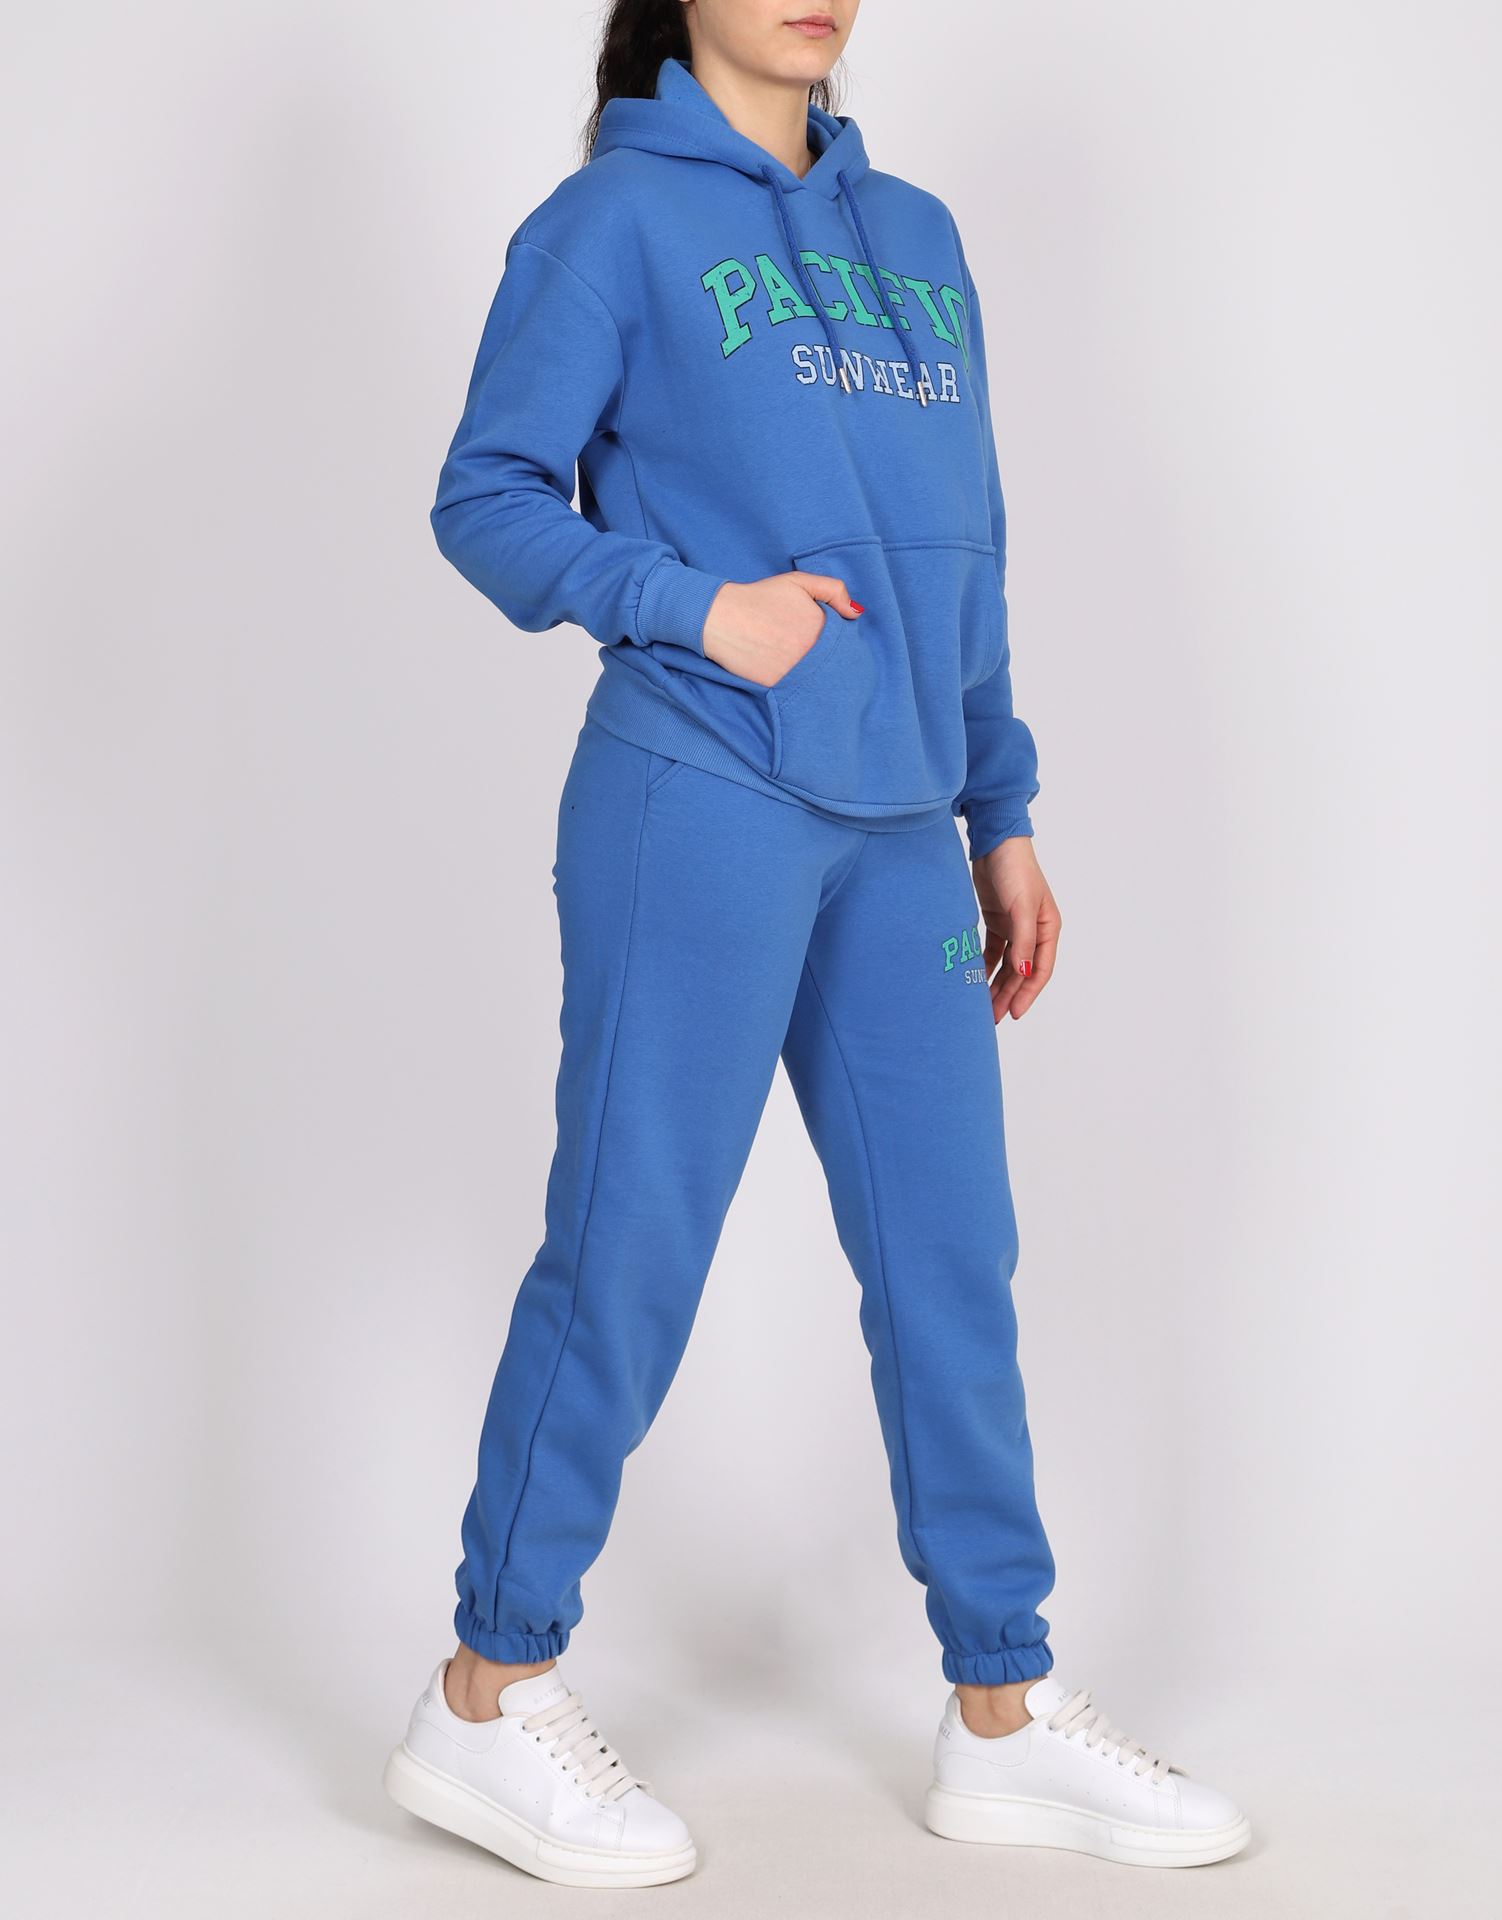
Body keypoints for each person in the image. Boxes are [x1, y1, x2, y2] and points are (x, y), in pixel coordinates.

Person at [384, 0, 1248, 1887]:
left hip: (905, 829)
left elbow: (967, 548)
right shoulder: (611, 223)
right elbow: (486, 496)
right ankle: (485, 1692)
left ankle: (1001, 1711)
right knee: (630, 1242)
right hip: (698, 795)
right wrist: (694, 607)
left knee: (953, 1265)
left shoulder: (915, 237)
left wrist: (1000, 806)